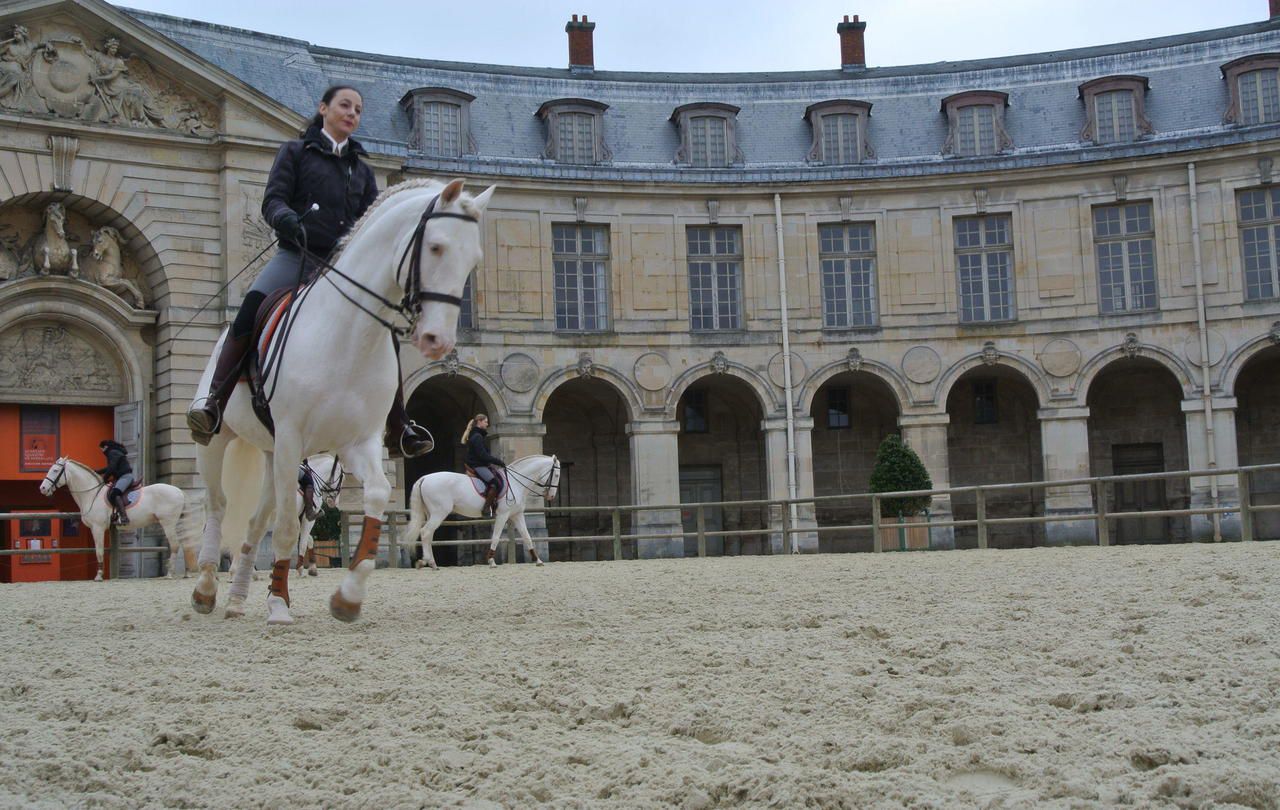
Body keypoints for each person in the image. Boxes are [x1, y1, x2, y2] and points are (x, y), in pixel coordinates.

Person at [186, 84, 432, 458]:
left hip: (340, 267)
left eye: (358, 110)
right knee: (250, 310)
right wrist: (285, 218)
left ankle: (398, 424)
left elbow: (371, 221)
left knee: (380, 330)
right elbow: (273, 199)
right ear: (323, 109)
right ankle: (214, 403)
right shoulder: (295, 153)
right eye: (345, 105)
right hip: (295, 256)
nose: (352, 113)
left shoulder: (362, 170)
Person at [461, 414, 505, 514]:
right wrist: (499, 462)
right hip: (477, 465)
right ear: (479, 422)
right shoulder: (477, 436)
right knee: (495, 483)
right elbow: (483, 455)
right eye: (485, 421)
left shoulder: (477, 435)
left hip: (479, 464)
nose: (487, 424)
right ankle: (486, 508)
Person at [97, 439, 133, 526]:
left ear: (105, 447)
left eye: (101, 449)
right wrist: (97, 472)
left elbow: (111, 468)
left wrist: (104, 479)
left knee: (114, 494)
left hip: (125, 477)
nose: (102, 451)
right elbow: (109, 468)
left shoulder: (112, 453)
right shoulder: (114, 452)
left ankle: (124, 518)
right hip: (122, 477)